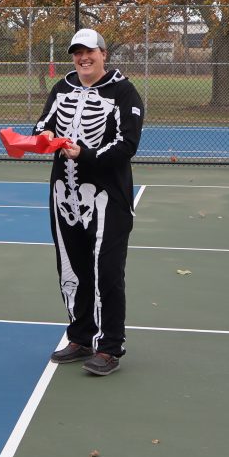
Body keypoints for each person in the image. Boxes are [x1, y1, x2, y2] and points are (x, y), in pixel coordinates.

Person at [35, 28, 144, 376]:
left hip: (107, 198)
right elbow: (42, 126)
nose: (83, 57)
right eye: (77, 52)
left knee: (107, 273)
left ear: (103, 53)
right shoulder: (62, 88)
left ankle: (110, 346)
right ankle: (81, 336)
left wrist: (85, 154)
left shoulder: (124, 92)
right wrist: (45, 137)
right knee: (72, 270)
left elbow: (127, 145)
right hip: (63, 195)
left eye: (89, 51)